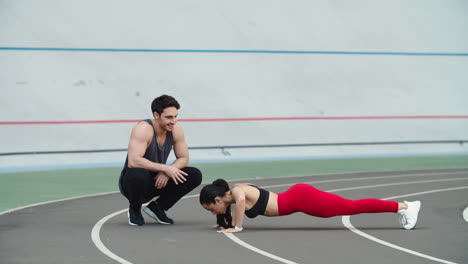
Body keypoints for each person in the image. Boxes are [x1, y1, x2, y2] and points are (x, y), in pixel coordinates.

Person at [200, 179, 421, 233]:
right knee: (351, 207)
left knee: (352, 207)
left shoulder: (237, 191)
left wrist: (237, 228)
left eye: (211, 209)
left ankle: (405, 207)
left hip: (301, 198)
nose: (214, 213)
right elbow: (230, 209)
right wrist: (223, 223)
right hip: (299, 199)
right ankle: (403, 207)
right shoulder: (230, 199)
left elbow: (238, 203)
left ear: (218, 199)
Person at [119, 95, 202, 226]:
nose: (173, 121)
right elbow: (133, 161)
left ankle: (157, 207)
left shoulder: (176, 129)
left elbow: (184, 158)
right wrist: (165, 168)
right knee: (138, 174)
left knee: (194, 174)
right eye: (169, 117)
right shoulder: (143, 129)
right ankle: (134, 209)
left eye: (175, 116)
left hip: (158, 179)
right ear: (156, 115)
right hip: (133, 182)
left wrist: (167, 171)